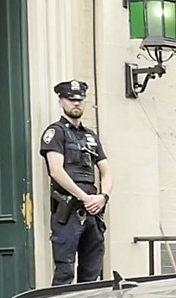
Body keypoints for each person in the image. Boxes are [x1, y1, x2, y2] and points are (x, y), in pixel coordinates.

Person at [40, 80, 112, 286]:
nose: (76, 104)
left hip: (93, 213)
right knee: (64, 273)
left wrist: (103, 197)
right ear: (61, 101)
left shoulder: (91, 136)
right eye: (71, 99)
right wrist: (85, 198)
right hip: (69, 212)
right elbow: (56, 170)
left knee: (92, 273)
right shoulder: (55, 133)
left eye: (80, 100)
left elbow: (106, 172)